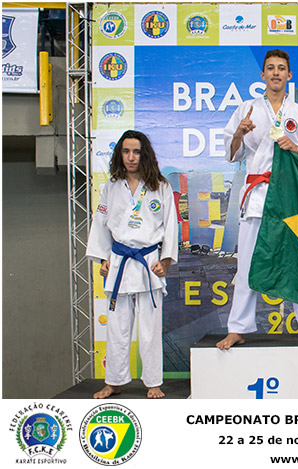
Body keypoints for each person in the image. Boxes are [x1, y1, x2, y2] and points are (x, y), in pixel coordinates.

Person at [216, 49, 298, 351]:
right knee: (247, 264)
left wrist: (296, 147)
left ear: (289, 75)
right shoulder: (247, 108)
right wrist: (238, 134)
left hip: (288, 195)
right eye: (270, 68)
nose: (276, 73)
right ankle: (238, 328)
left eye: (281, 68)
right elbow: (232, 154)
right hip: (256, 196)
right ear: (263, 74)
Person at [86, 130, 178, 399]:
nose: (131, 157)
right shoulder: (111, 186)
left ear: (144, 154)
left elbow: (170, 225)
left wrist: (166, 260)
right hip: (120, 263)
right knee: (117, 328)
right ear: (120, 154)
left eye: (136, 152)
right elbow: (101, 223)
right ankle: (114, 381)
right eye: (126, 151)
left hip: (149, 262)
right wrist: (103, 257)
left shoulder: (160, 186)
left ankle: (153, 382)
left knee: (150, 329)